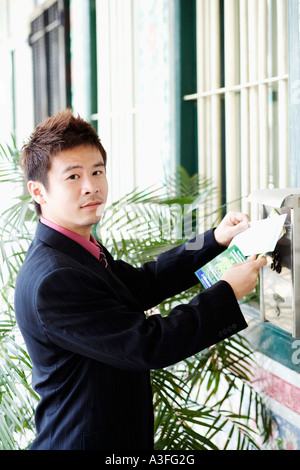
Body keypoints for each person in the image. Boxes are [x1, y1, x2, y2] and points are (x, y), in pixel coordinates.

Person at [14, 110, 266, 450]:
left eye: (97, 171)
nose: (91, 186)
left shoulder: (74, 247)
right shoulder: (55, 277)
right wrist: (227, 293)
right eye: (73, 177)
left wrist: (214, 239)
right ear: (39, 191)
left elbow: (142, 282)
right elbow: (148, 344)